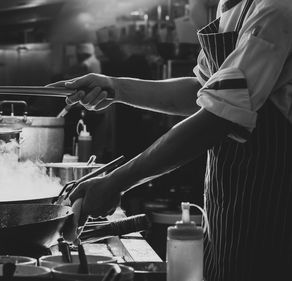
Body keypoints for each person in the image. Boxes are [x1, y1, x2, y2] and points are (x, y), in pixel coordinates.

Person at [50, 0, 292, 280]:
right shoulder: (234, 6)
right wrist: (114, 87)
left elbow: (218, 117)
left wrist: (117, 181)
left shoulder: (277, 8)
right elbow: (202, 90)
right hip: (228, 201)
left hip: (272, 202)